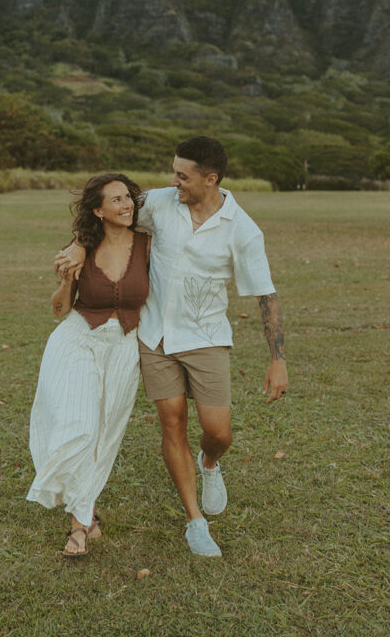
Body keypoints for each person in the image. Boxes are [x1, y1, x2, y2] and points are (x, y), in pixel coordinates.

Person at [55, 136, 288, 558]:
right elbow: (106, 210)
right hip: (154, 337)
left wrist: (278, 360)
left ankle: (210, 463)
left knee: (218, 432)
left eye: (183, 175)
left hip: (207, 338)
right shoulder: (160, 203)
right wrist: (77, 243)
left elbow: (265, 296)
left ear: (210, 179)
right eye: (174, 172)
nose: (173, 181)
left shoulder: (243, 229)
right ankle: (195, 522)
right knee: (173, 422)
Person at [27, 172, 151, 558]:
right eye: (115, 200)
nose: (126, 204)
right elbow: (60, 309)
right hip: (79, 340)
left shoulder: (149, 245)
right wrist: (67, 280)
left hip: (125, 347)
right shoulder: (80, 247)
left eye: (127, 197)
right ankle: (79, 528)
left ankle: (88, 513)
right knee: (80, 427)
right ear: (97, 210)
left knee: (104, 434)